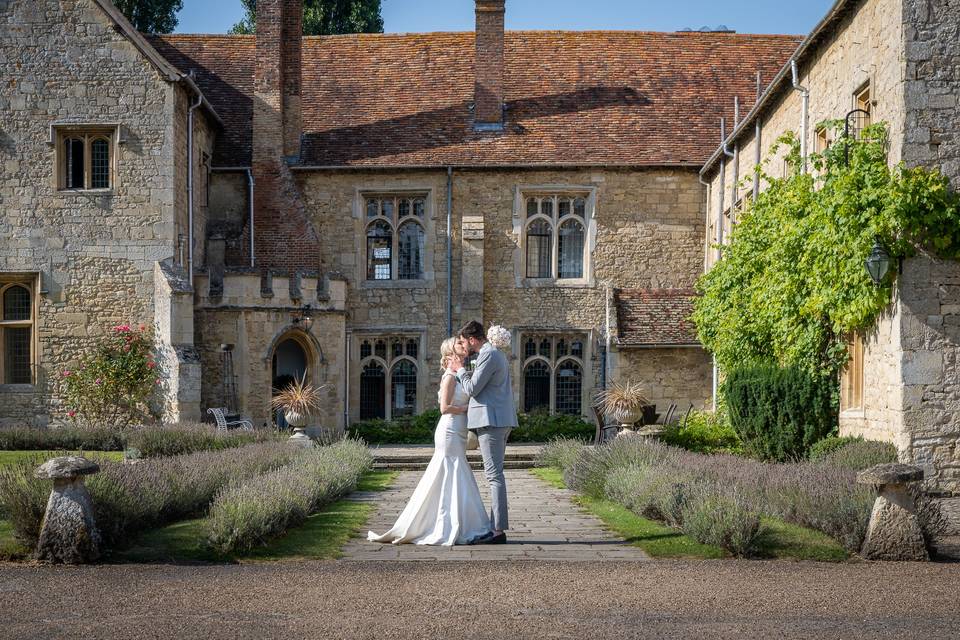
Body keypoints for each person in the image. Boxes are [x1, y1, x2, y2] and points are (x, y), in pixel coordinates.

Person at [367, 338, 491, 546]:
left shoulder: (461, 375)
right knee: (451, 469)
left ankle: (458, 521)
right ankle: (447, 523)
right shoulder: (450, 377)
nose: (465, 346)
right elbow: (444, 408)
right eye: (460, 345)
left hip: (458, 429)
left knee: (452, 472)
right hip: (450, 428)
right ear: (452, 351)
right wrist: (466, 409)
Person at [449, 320, 518, 545]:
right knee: (494, 474)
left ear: (472, 339)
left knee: (494, 476)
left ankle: (498, 531)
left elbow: (472, 388)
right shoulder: (490, 355)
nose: (463, 346)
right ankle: (494, 527)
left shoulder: (489, 354)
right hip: (493, 419)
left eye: (463, 341)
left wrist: (459, 371)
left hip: (492, 421)